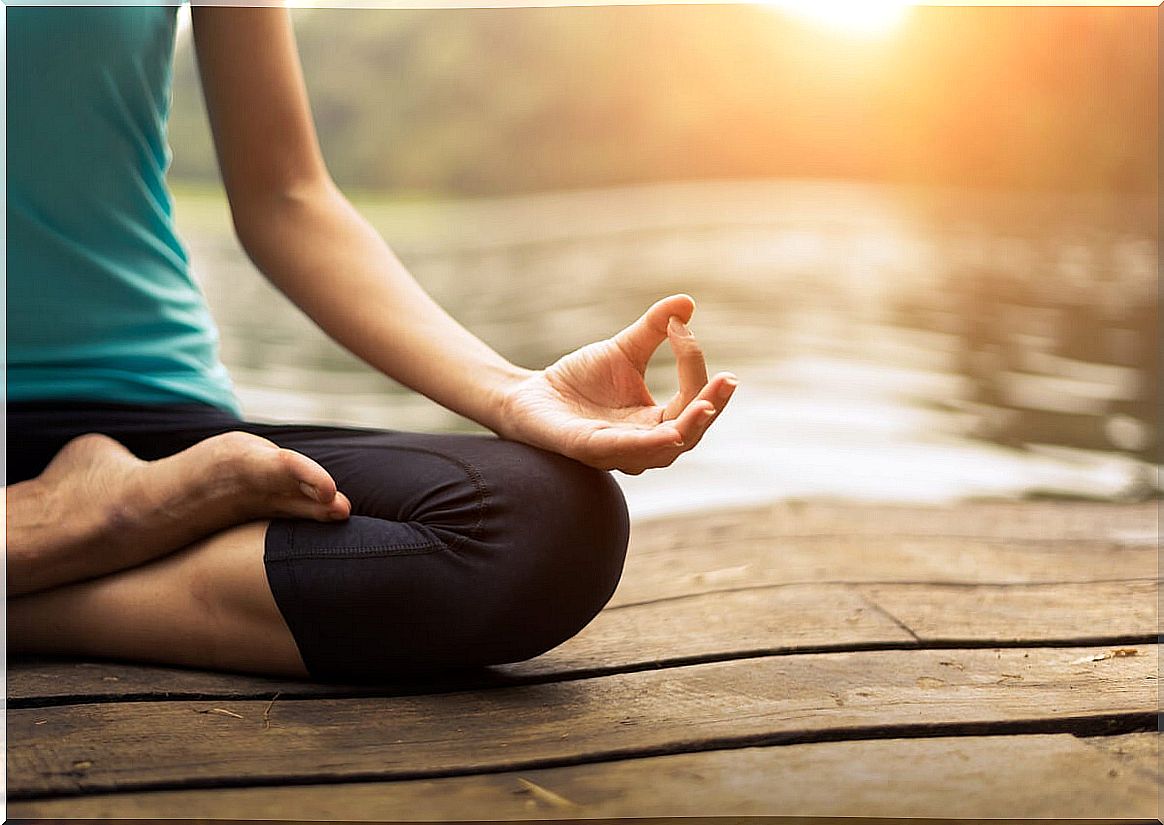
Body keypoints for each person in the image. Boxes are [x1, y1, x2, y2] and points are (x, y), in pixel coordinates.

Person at [6, 6, 737, 682]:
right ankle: (53, 539)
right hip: (113, 488)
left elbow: (286, 196)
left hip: (149, 414)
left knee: (544, 522)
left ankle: (65, 542)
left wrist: (511, 391)